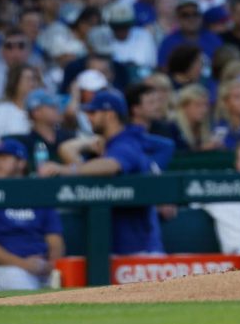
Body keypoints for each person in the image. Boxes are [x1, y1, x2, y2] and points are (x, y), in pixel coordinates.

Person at [38, 89, 164, 256]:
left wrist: (65, 170)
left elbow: (112, 165)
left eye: (93, 112)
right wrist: (88, 142)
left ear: (110, 115)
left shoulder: (127, 142)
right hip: (116, 247)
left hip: (140, 250)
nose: (88, 117)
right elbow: (66, 150)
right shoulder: (108, 146)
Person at [0, 139, 65, 290]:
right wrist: (24, 264)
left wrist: (51, 265)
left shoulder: (38, 193)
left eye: (4, 158)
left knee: (69, 282)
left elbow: (55, 239)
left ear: (21, 163)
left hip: (42, 266)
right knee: (17, 281)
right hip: (7, 267)